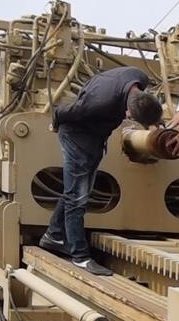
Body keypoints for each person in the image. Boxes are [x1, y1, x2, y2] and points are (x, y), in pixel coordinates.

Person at [37, 65, 165, 276]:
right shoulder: (99, 103)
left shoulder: (139, 77)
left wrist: (158, 123)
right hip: (75, 136)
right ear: (128, 112)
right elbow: (63, 112)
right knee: (77, 197)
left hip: (95, 137)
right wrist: (56, 124)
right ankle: (80, 256)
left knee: (77, 191)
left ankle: (54, 235)